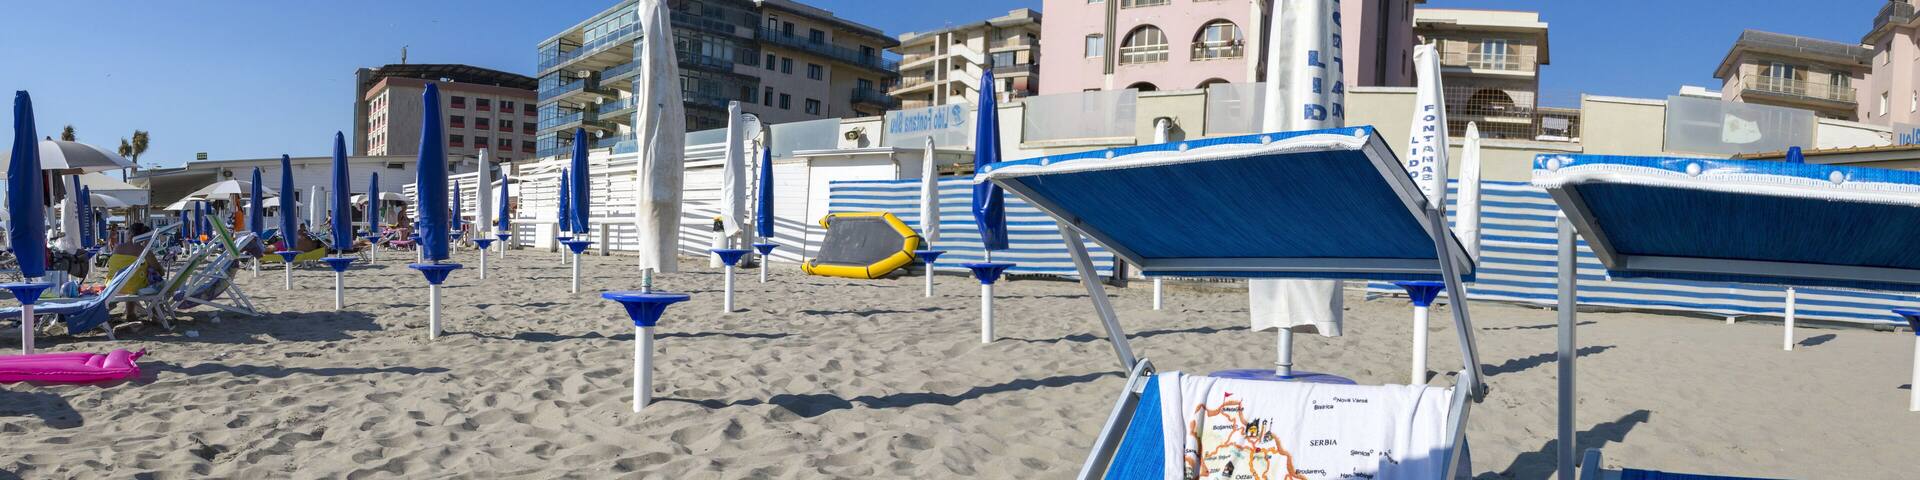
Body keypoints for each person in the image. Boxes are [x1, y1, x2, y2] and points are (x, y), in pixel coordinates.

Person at [104, 223, 164, 322]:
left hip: (112, 285)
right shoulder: (145, 251)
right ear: (145, 236)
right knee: (153, 282)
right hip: (132, 288)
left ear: (129, 234)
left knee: (130, 278)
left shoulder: (117, 248)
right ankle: (155, 314)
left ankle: (131, 313)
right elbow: (160, 272)